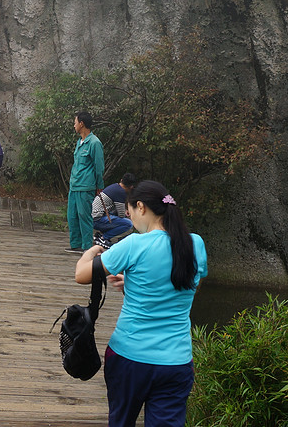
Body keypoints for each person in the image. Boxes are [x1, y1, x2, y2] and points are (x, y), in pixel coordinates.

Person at [75, 180, 208, 427]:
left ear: (141, 207)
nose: (130, 218)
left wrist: (91, 251)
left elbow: (82, 275)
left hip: (130, 357)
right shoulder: (194, 244)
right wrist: (134, 287)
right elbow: (190, 288)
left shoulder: (134, 244)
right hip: (176, 362)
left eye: (130, 212)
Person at [67, 111, 104, 254]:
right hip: (74, 185)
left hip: (86, 186)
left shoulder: (95, 143)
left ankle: (87, 247)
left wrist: (99, 186)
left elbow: (99, 167)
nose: (74, 125)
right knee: (72, 216)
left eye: (75, 122)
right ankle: (75, 244)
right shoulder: (79, 142)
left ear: (81, 124)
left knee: (84, 216)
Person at [93, 173, 135, 242]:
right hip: (98, 219)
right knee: (128, 224)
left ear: (121, 180)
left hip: (94, 217)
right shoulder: (121, 192)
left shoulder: (115, 186)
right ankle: (104, 237)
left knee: (117, 217)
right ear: (131, 187)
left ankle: (101, 234)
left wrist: (124, 211)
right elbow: (121, 215)